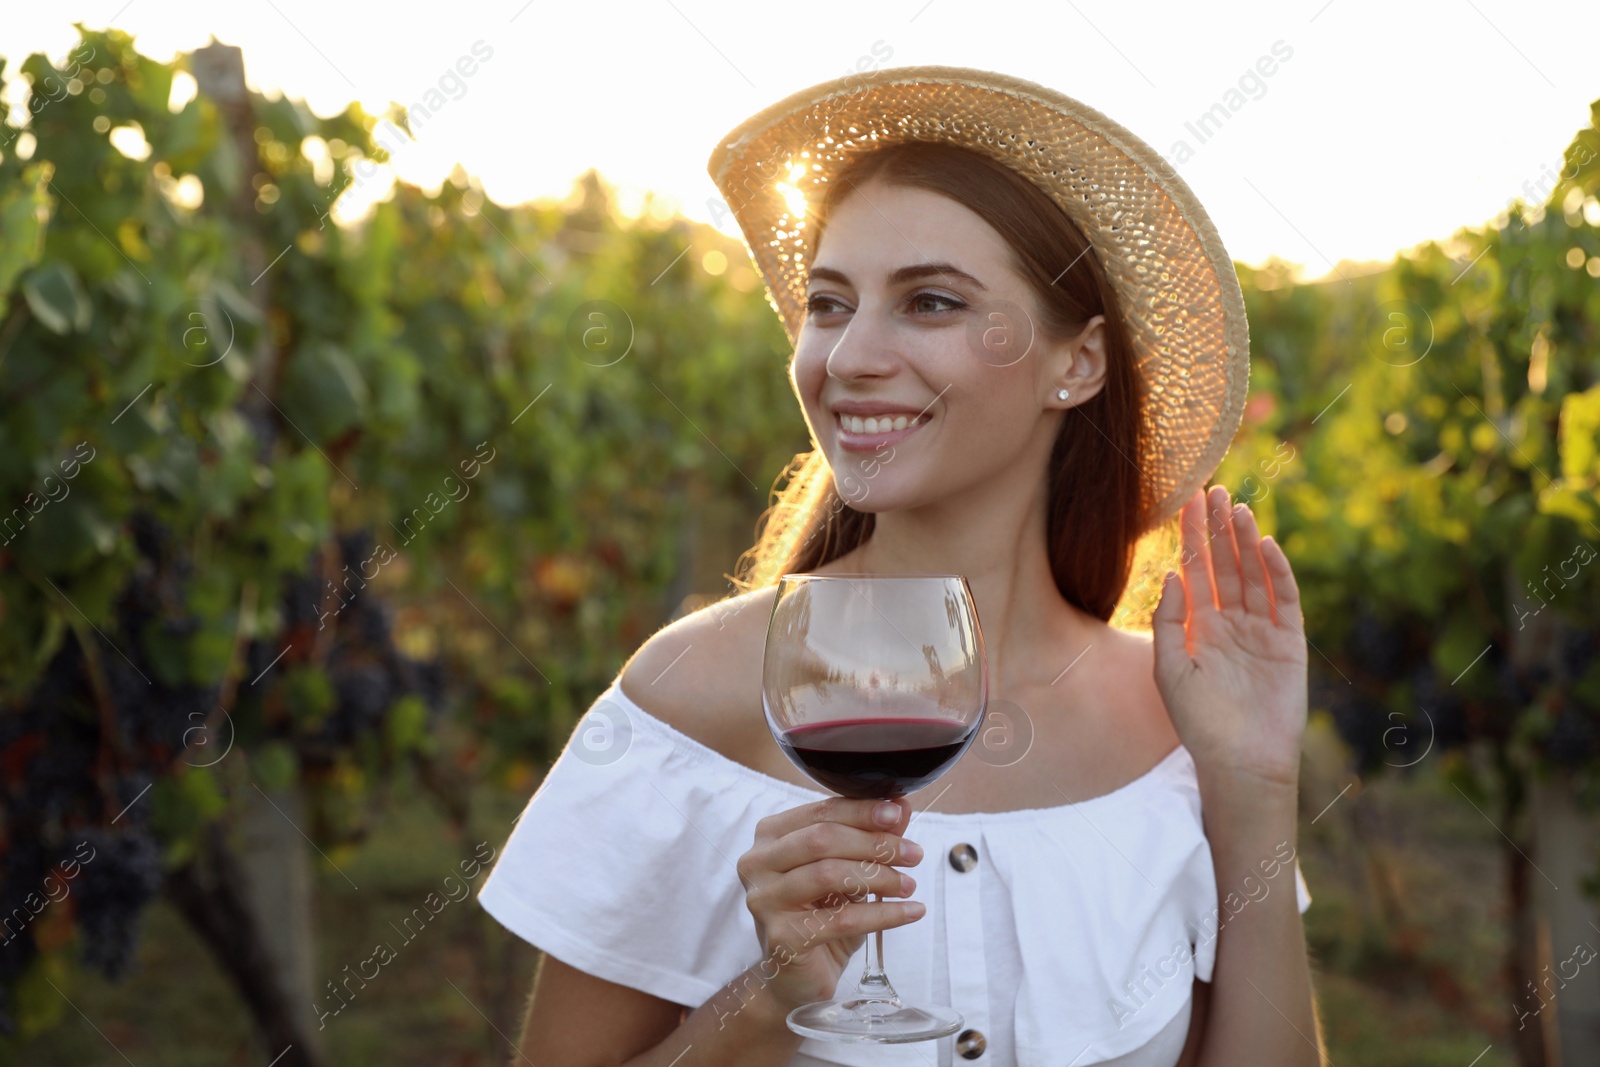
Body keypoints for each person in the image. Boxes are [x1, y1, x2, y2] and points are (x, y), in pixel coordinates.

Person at [477, 66, 1323, 1067]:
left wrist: (1254, 782)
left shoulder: (1175, 725)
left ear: (1077, 362)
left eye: (927, 302)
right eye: (829, 305)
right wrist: (764, 1007)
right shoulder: (689, 698)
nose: (847, 357)